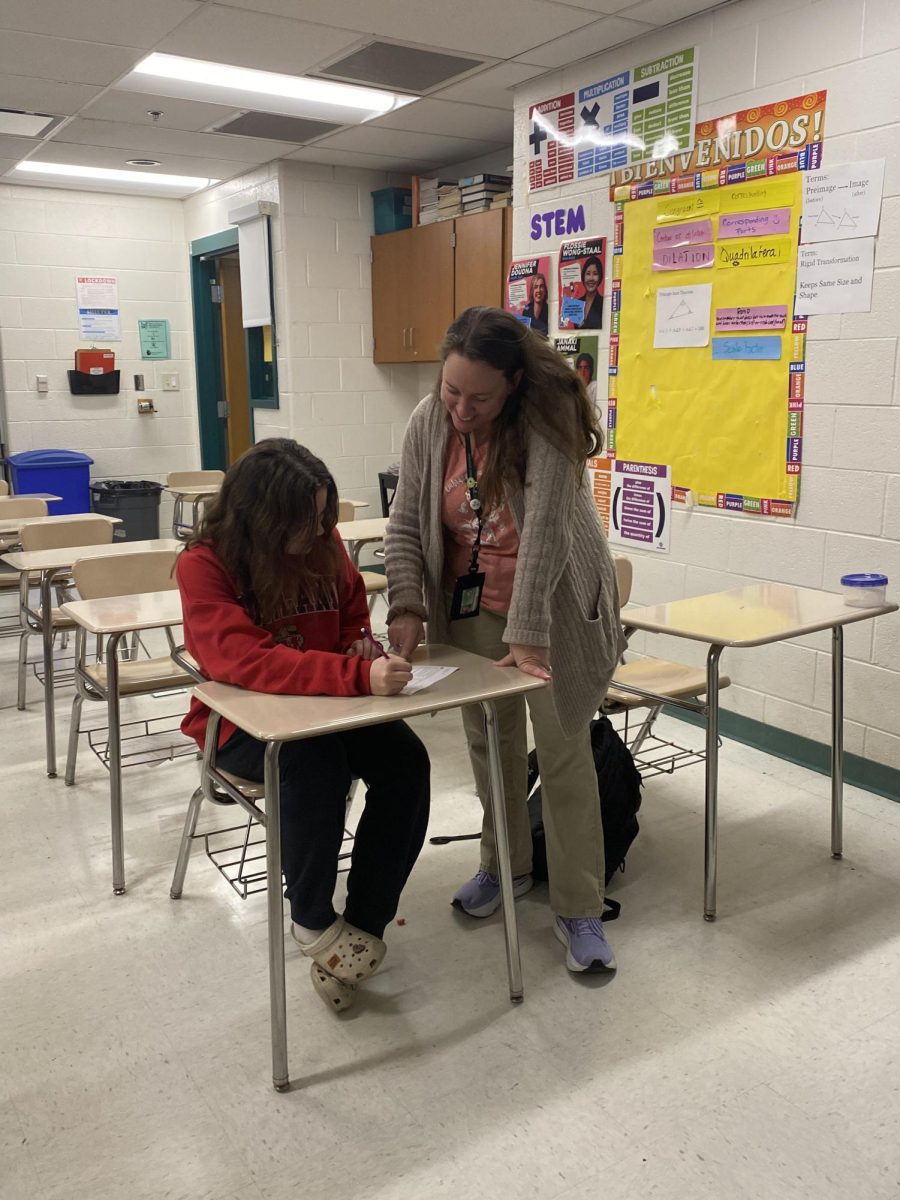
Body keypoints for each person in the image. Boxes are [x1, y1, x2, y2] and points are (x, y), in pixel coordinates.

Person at [385, 307, 625, 974]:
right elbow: (406, 521)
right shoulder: (427, 423)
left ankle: (580, 905)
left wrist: (529, 637)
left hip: (553, 612)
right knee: (489, 744)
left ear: (515, 383)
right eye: (451, 390)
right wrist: (405, 606)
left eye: (480, 397)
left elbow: (546, 534)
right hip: (471, 608)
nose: (462, 408)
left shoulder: (547, 421)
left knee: (564, 751)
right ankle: (504, 867)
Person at [176, 439, 430, 1013]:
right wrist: (355, 675)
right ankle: (313, 921)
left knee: (406, 763)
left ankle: (363, 926)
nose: (319, 532)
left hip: (326, 704)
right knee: (316, 763)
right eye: (305, 520)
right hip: (242, 728)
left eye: (323, 517)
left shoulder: (323, 542)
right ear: (261, 520)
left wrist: (357, 645)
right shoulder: (205, 564)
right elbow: (245, 660)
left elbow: (348, 612)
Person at [578, 255, 603, 330]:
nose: (591, 278)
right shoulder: (577, 302)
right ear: (583, 276)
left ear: (600, 277)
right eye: (588, 274)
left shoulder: (603, 303)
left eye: (595, 274)